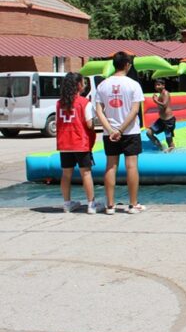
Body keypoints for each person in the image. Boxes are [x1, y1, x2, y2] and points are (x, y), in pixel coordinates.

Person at [95, 51, 145, 215]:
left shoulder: (103, 85)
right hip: (130, 131)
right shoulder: (133, 84)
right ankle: (133, 204)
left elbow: (99, 111)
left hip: (109, 133)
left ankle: (110, 205)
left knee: (111, 166)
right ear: (127, 65)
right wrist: (121, 129)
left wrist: (111, 130)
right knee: (131, 166)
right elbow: (134, 110)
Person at [56, 72, 99, 214]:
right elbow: (89, 124)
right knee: (86, 174)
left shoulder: (59, 103)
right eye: (83, 82)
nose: (85, 85)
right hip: (80, 142)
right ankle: (91, 204)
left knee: (66, 174)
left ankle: (66, 203)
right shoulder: (84, 102)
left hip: (65, 144)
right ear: (78, 85)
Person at [146, 79, 176, 152]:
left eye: (159, 84)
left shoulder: (165, 93)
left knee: (169, 141)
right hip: (162, 120)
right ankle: (161, 148)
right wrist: (157, 100)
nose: (156, 86)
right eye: (156, 85)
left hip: (169, 121)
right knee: (149, 133)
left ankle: (173, 153)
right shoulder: (160, 94)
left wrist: (155, 100)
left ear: (163, 85)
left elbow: (165, 105)